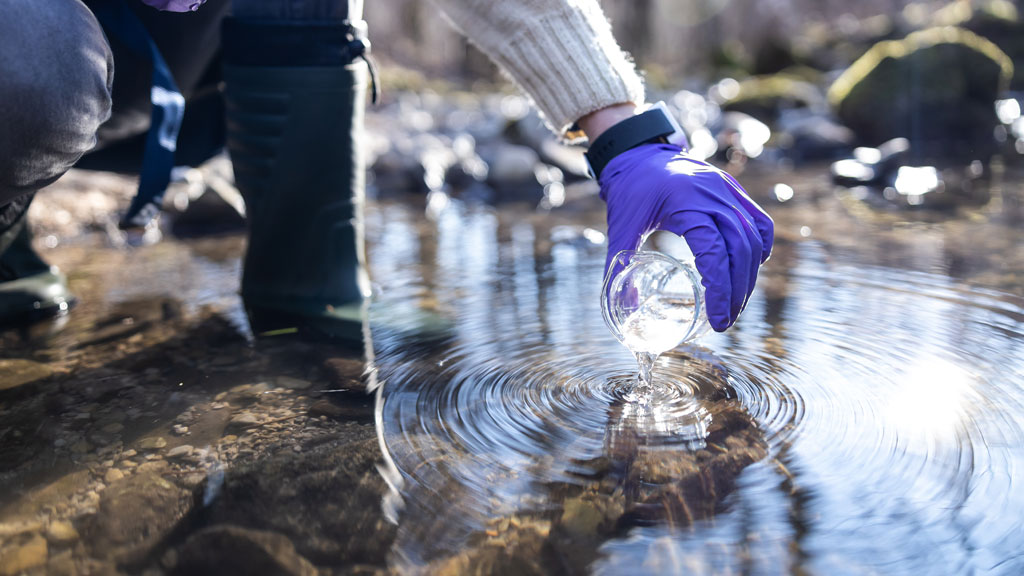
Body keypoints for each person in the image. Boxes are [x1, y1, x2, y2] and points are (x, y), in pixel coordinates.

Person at [0, 0, 773, 343]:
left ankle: (307, 296)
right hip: (35, 57)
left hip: (169, 81)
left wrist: (623, 133)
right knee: (31, 69)